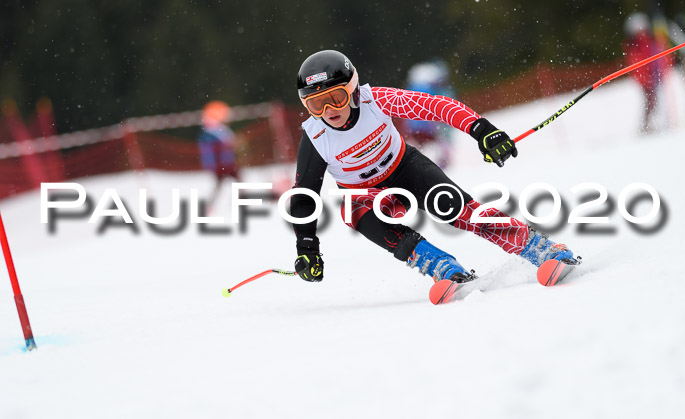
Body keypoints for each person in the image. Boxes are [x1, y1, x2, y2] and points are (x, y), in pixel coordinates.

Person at [290, 50, 580, 284]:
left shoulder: (374, 100)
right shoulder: (315, 136)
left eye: (336, 98)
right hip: (363, 193)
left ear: (352, 90)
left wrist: (483, 130)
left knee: (459, 210)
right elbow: (304, 197)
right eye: (317, 105)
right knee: (355, 212)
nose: (330, 112)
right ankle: (439, 265)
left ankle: (539, 249)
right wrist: (307, 248)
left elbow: (435, 106)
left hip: (404, 168)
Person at [402, 60, 454, 168]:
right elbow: (432, 106)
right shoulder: (432, 89)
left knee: (420, 147)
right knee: (441, 142)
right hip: (428, 125)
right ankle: (442, 161)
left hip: (415, 126)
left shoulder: (411, 90)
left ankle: (419, 165)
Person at [623, 13, 668, 133]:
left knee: (653, 100)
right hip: (645, 79)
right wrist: (644, 78)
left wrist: (660, 72)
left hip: (653, 76)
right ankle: (646, 126)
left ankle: (649, 125)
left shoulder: (649, 40)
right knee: (650, 101)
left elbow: (658, 57)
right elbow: (637, 64)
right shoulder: (635, 45)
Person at [198, 100, 240, 210]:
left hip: (223, 164)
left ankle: (211, 205)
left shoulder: (214, 132)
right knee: (234, 182)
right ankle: (239, 202)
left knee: (223, 184)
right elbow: (228, 145)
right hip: (223, 164)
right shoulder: (214, 132)